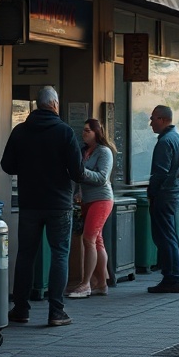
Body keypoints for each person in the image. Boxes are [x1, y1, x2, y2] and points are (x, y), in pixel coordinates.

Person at [0, 86, 84, 327]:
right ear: (55, 105)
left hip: (29, 203)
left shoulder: (20, 131)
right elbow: (77, 171)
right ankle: (56, 311)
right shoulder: (65, 132)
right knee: (60, 254)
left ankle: (20, 309)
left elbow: (7, 165)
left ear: (37, 105)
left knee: (26, 255)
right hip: (58, 205)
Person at [66, 118, 116, 299]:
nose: (84, 133)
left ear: (97, 132)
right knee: (97, 240)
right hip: (87, 200)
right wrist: (78, 191)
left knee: (88, 239)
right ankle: (101, 283)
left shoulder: (104, 152)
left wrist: (81, 172)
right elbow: (79, 178)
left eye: (88, 130)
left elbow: (102, 177)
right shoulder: (85, 151)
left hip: (101, 199)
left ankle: (85, 283)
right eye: (84, 130)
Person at [146, 105, 179, 294]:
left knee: (164, 237)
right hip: (173, 194)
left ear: (162, 119)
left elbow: (160, 173)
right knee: (170, 237)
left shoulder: (165, 142)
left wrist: (152, 193)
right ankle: (173, 276)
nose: (150, 123)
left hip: (164, 196)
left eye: (153, 118)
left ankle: (171, 278)